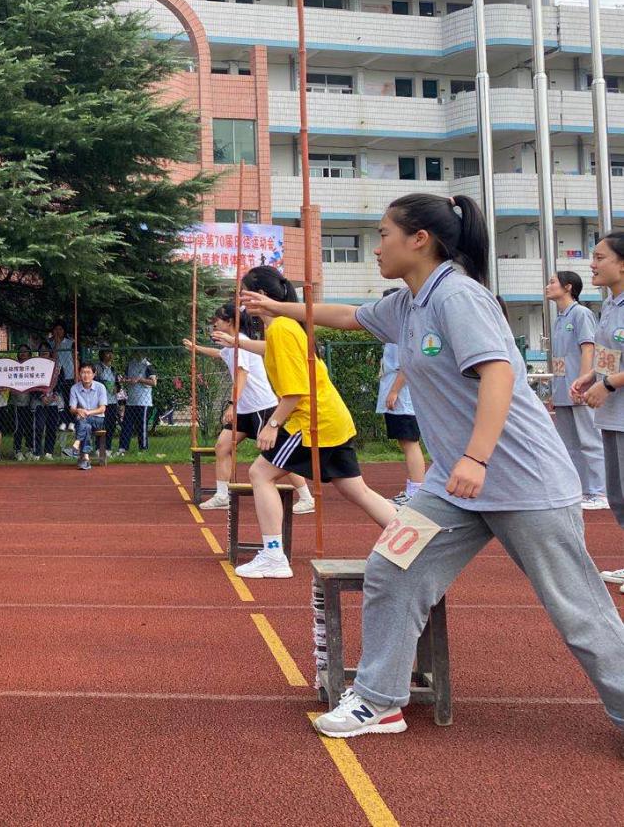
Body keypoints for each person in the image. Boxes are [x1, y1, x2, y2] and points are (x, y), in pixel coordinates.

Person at [280, 192, 624, 739]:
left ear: (420, 240)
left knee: (578, 611)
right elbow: (346, 316)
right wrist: (279, 309)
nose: (376, 247)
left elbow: (499, 375)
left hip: (523, 482)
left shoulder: (458, 298)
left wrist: (475, 456)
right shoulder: (409, 302)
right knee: (392, 570)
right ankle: (379, 699)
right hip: (452, 487)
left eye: (383, 234)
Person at [233, 265, 395, 579]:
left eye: (244, 291)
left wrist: (272, 425)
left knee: (260, 474)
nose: (240, 298)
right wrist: (234, 342)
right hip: (331, 419)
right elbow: (270, 351)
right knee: (355, 490)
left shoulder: (281, 328)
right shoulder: (287, 326)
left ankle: (273, 556)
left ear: (260, 295)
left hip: (312, 423)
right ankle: (411, 540)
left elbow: (294, 391)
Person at [186, 304, 314, 515]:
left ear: (229, 321)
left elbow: (242, 374)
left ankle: (307, 497)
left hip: (261, 407)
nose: (214, 324)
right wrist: (196, 348)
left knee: (275, 454)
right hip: (245, 409)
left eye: (217, 319)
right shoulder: (231, 346)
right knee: (222, 447)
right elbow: (219, 354)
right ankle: (222, 495)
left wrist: (231, 405)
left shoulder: (243, 343)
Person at [571, 234, 624, 592]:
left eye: (600, 257)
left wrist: (608, 385)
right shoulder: (610, 304)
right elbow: (612, 354)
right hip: (612, 415)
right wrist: (592, 375)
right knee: (619, 497)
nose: (592, 264)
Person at [545, 271, 609, 512]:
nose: (548, 286)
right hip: (563, 390)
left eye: (553, 282)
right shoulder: (559, 318)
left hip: (579, 390)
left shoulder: (581, 314)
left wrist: (584, 383)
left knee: (589, 441)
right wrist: (555, 390)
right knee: (569, 444)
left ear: (568, 287)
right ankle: (582, 489)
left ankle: (599, 490)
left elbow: (588, 349)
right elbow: (560, 359)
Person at [376, 288, 427, 506]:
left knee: (410, 443)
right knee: (406, 442)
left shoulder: (405, 330)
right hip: (399, 395)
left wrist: (395, 390)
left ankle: (416, 492)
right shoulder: (396, 330)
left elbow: (407, 364)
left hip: (403, 397)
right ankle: (416, 489)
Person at [69, 362, 107, 471]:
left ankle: (76, 444)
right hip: (82, 420)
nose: (86, 375)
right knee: (86, 426)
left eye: (88, 372)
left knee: (83, 420)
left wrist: (88, 412)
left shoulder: (101, 387)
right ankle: (86, 458)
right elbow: (72, 409)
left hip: (98, 419)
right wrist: (78, 410)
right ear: (79, 374)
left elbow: (102, 409)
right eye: (83, 372)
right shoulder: (74, 388)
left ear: (94, 374)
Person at [118, 352, 157, 455]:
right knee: (126, 425)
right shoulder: (130, 364)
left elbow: (153, 382)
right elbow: (125, 378)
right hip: (131, 401)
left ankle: (143, 448)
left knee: (141, 426)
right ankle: (123, 449)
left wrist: (140, 380)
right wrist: (126, 380)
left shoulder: (148, 365)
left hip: (143, 402)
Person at [32, 347, 63, 460]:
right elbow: (31, 384)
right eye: (42, 351)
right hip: (39, 403)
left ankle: (49, 452)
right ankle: (36, 452)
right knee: (39, 427)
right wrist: (41, 396)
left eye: (46, 351)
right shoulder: (34, 367)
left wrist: (53, 396)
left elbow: (61, 383)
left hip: (53, 402)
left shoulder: (57, 367)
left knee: (52, 427)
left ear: (50, 353)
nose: (44, 352)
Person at [9, 344, 35, 460]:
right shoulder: (14, 367)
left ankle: (30, 449)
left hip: (32, 401)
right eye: (21, 351)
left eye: (25, 351)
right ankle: (17, 450)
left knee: (30, 426)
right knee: (18, 427)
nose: (23, 353)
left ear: (30, 354)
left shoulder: (34, 366)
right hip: (18, 402)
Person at [48, 321, 75, 429]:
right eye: (56, 329)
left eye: (60, 329)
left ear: (64, 331)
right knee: (59, 398)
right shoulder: (49, 343)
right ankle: (63, 421)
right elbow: (51, 358)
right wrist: (57, 344)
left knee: (70, 398)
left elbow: (74, 358)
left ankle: (72, 422)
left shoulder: (70, 342)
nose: (58, 331)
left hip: (69, 374)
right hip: (56, 375)